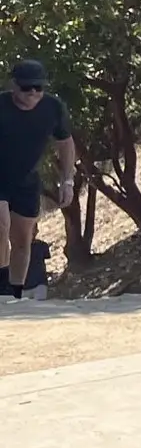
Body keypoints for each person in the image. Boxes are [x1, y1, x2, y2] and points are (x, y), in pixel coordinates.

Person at [1, 60, 73, 300]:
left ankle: (15, 294)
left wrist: (67, 181)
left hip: (26, 180)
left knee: (22, 240)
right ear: (14, 86)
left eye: (38, 88)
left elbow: (65, 143)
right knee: (1, 227)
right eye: (27, 88)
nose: (33, 93)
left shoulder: (53, 107)